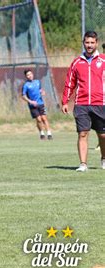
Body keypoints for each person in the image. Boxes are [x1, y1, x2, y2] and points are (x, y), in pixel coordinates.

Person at [62, 31, 104, 172]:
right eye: (87, 42)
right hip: (81, 104)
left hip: (100, 103)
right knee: (83, 133)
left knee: (103, 135)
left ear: (96, 43)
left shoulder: (103, 61)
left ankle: (104, 159)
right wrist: (65, 101)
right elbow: (70, 83)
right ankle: (83, 164)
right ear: (83, 43)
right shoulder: (76, 62)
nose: (89, 45)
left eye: (92, 42)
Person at [21, 69, 53, 140]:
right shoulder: (26, 85)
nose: (30, 76)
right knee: (39, 120)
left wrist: (42, 92)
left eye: (30, 74)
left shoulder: (37, 82)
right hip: (33, 105)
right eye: (28, 75)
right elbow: (23, 96)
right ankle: (41, 133)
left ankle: (49, 134)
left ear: (32, 74)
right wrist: (30, 101)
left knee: (44, 118)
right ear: (26, 76)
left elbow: (40, 90)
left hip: (40, 103)